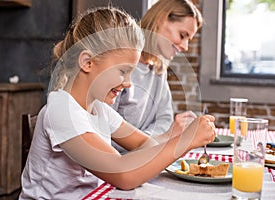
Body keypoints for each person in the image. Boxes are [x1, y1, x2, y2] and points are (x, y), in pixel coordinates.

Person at [19, 6, 216, 200]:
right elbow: (123, 174)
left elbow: (145, 143)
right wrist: (185, 141)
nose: (129, 83)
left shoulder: (100, 109)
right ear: (88, 62)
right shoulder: (61, 110)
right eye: (123, 71)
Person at [112, 0, 203, 137]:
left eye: (188, 40)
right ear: (161, 19)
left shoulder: (158, 68)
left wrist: (146, 142)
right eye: (182, 35)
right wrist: (149, 142)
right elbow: (106, 130)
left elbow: (165, 119)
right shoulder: (119, 63)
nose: (185, 47)